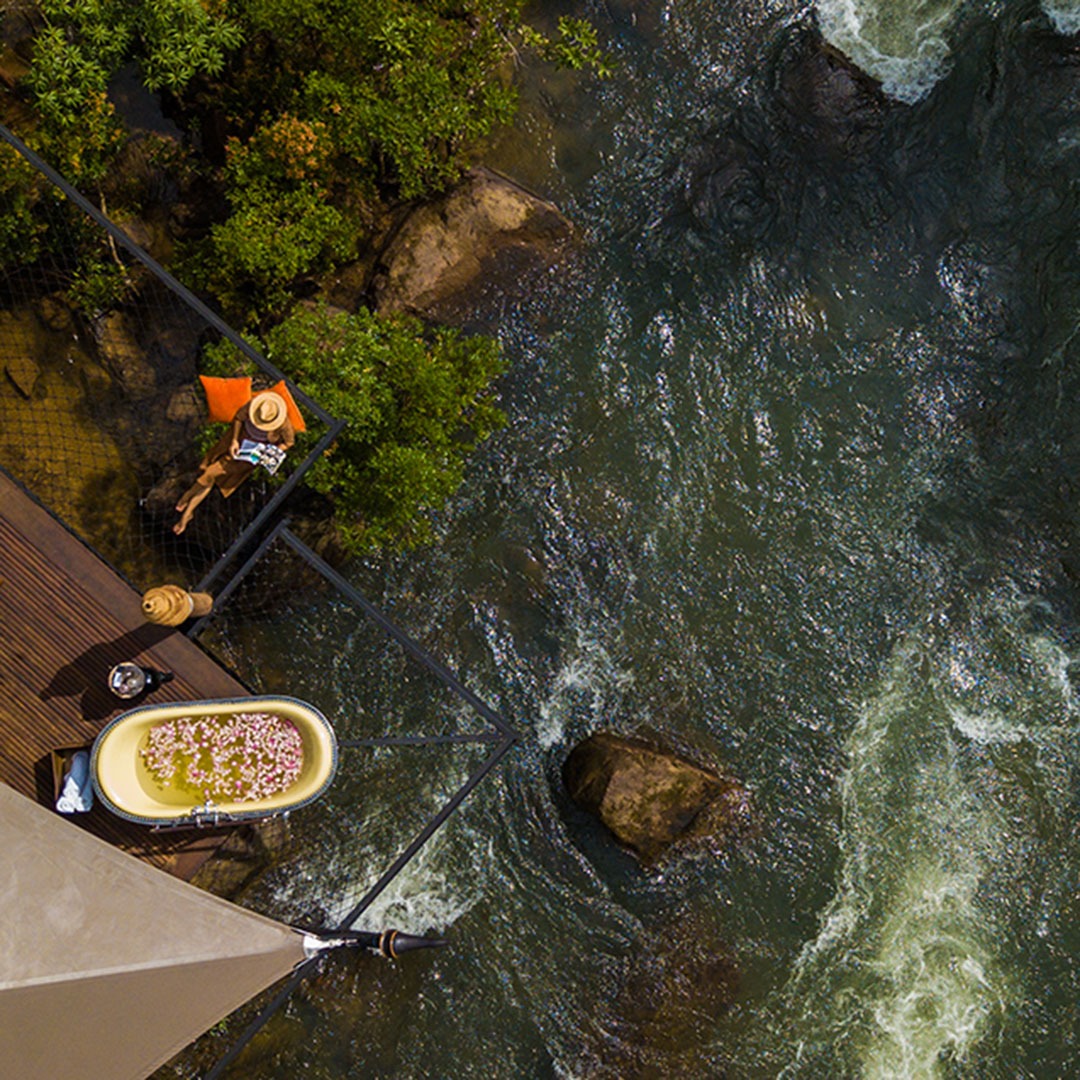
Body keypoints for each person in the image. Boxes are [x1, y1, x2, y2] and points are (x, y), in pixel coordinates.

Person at [173, 390, 295, 535]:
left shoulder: (283, 424)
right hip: (235, 442)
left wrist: (269, 452)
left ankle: (187, 498)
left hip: (249, 456)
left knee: (211, 472)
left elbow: (289, 442)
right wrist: (234, 440)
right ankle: (189, 510)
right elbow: (238, 418)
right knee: (210, 476)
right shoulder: (254, 406)